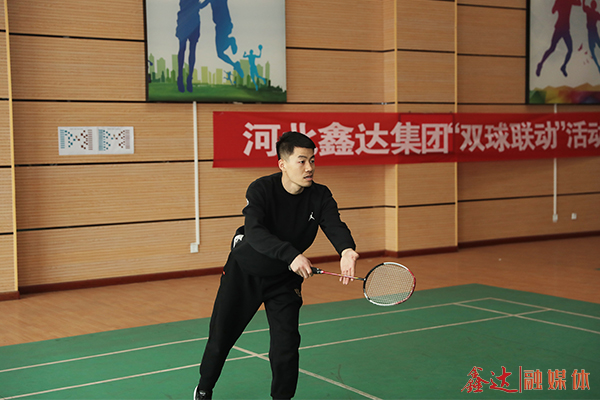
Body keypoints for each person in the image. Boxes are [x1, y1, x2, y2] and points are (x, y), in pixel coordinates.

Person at [194, 131, 359, 400]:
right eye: (302, 161)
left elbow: (334, 224)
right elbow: (254, 231)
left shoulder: (320, 195)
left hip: (284, 278)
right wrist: (291, 255)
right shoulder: (261, 189)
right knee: (221, 337)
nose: (309, 168)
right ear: (283, 164)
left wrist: (347, 250)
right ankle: (204, 388)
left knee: (286, 345)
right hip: (244, 273)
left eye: (312, 160)